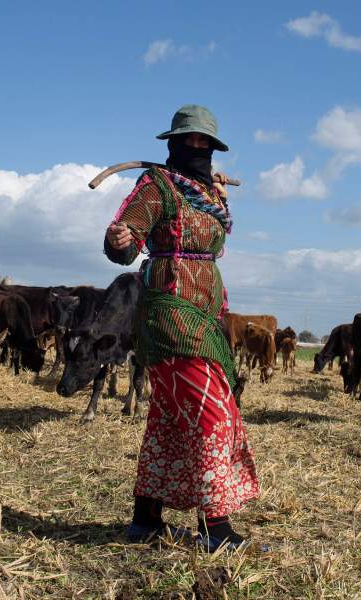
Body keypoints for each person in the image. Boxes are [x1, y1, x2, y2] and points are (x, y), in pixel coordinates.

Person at [103, 105, 259, 552]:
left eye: (203, 142)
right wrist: (120, 242)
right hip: (170, 313)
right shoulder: (156, 186)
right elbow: (127, 237)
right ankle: (216, 529)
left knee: (170, 419)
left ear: (211, 148)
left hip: (206, 315)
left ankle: (145, 520)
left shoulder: (207, 193)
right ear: (172, 143)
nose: (196, 147)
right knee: (214, 414)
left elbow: (216, 228)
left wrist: (215, 191)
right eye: (187, 140)